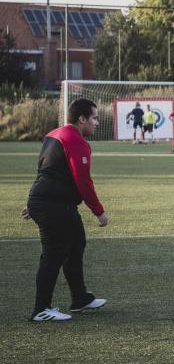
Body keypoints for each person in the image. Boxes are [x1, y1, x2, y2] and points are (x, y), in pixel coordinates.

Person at [21, 98, 109, 322]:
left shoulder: (54, 134)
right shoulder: (76, 141)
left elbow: (43, 169)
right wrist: (98, 211)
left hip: (50, 201)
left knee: (77, 242)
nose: (96, 123)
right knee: (53, 254)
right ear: (82, 118)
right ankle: (41, 309)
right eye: (94, 118)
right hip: (53, 204)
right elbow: (83, 181)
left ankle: (80, 298)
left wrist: (32, 203)